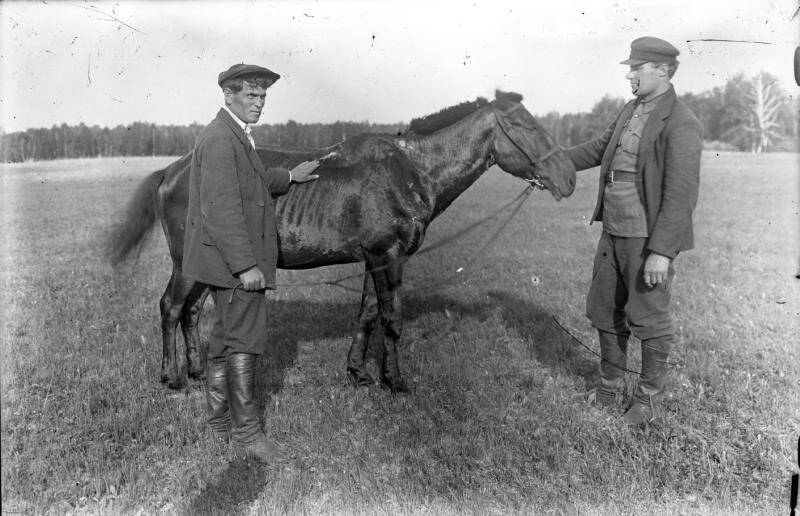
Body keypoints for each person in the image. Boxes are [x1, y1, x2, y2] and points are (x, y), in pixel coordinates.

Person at [183, 63, 320, 461]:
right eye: (251, 96)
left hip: (218, 262)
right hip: (231, 265)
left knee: (225, 339)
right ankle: (247, 434)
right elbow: (222, 210)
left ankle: (218, 422)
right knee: (244, 341)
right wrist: (246, 266)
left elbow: (254, 178)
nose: (259, 104)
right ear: (229, 96)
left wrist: (290, 177)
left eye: (263, 97)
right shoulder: (220, 140)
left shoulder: (232, 134)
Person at [566, 37, 703, 426]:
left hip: (646, 239)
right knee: (604, 310)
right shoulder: (630, 109)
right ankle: (609, 390)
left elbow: (680, 196)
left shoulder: (682, 122)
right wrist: (553, 164)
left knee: (649, 317)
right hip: (612, 229)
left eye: (636, 68)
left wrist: (662, 252)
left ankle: (645, 404)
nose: (630, 75)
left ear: (662, 70)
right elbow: (598, 149)